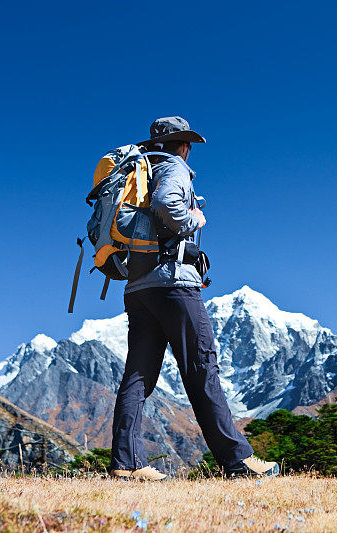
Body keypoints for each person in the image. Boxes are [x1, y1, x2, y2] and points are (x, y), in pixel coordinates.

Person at [110, 116, 279, 480]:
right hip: (174, 284)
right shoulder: (173, 168)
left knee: (138, 377)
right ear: (182, 144)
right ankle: (239, 461)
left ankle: (126, 466)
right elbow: (167, 205)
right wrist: (195, 219)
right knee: (202, 369)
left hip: (137, 288)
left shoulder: (138, 169)